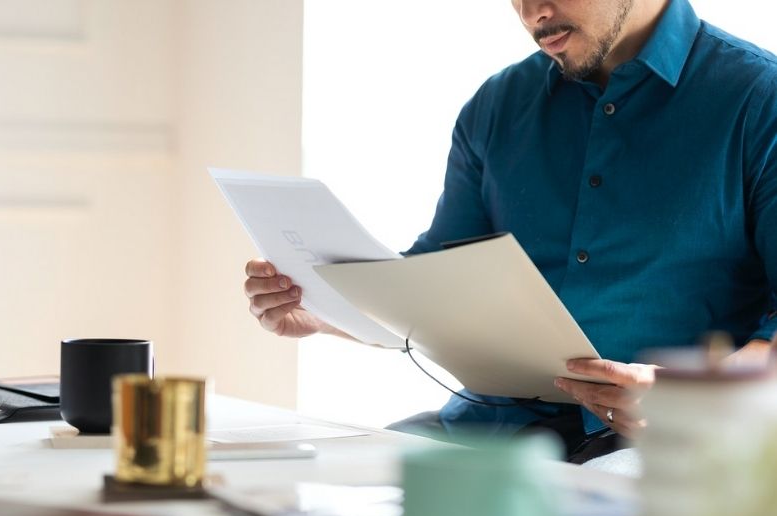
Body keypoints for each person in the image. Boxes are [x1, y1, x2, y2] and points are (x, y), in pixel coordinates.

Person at [243, 0, 777, 461]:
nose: (532, 14)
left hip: (664, 453)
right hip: (483, 435)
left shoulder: (759, 100)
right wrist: (324, 309)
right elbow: (437, 288)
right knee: (286, 491)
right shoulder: (497, 106)